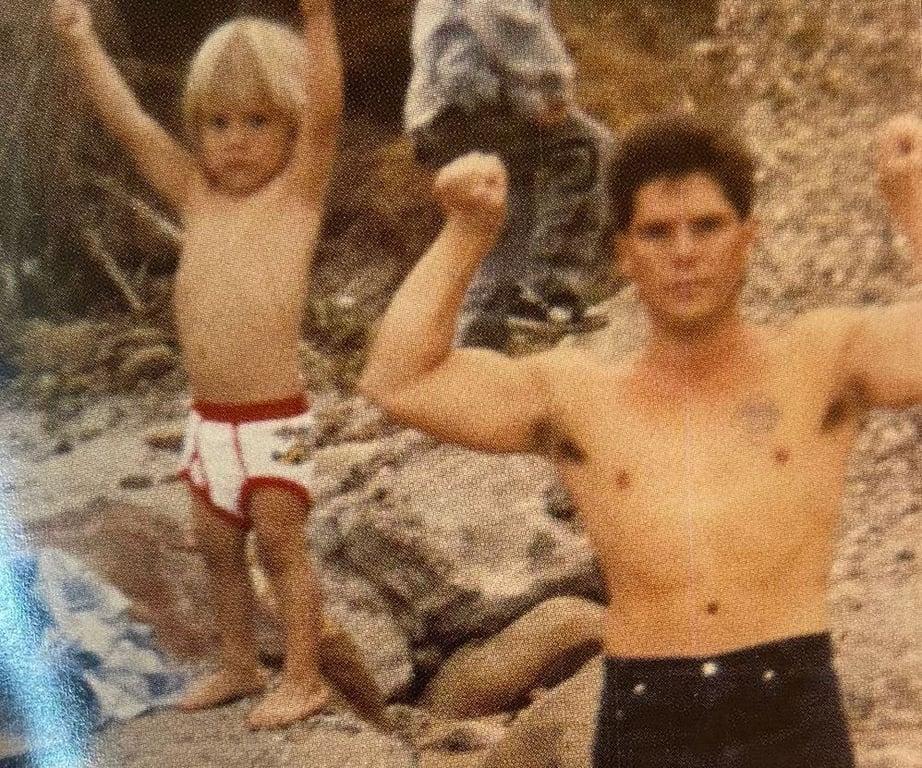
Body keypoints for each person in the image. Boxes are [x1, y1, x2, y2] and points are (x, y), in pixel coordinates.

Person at [359, 113, 922, 766]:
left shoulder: (820, 364)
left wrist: (913, 199)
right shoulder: (580, 398)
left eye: (706, 226)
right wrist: (467, 231)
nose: (684, 252)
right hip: (649, 712)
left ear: (748, 237)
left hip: (789, 706)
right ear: (624, 253)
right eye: (657, 231)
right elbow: (398, 380)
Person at [51, 0, 343, 729]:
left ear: (292, 126)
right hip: (209, 422)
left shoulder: (296, 197)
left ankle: (304, 677)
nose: (235, 142)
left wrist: (318, 19)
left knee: (280, 546)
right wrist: (83, 43)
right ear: (197, 129)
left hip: (273, 420)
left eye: (258, 122)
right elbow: (131, 125)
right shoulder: (195, 195)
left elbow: (328, 112)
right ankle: (240, 664)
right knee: (215, 547)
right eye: (218, 124)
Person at [405, 0, 613, 349]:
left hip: (441, 112)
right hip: (470, 102)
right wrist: (549, 89)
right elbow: (501, 12)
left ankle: (477, 341)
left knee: (503, 221)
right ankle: (548, 294)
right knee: (586, 148)